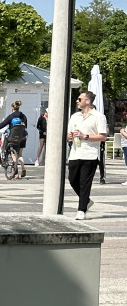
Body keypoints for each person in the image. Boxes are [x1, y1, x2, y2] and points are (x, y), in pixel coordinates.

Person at [66, 90, 107, 219]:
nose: (77, 101)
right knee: (72, 180)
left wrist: (86, 136)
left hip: (90, 154)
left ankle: (81, 210)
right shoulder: (75, 116)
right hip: (75, 152)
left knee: (85, 182)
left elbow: (103, 136)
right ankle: (87, 201)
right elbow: (69, 135)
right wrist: (70, 136)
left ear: (87, 101)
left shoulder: (98, 116)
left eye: (79, 99)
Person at [0, 100, 29, 179]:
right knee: (20, 155)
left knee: (13, 155)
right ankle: (23, 168)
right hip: (22, 137)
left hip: (13, 139)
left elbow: (2, 124)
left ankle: (16, 173)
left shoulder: (11, 116)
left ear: (12, 108)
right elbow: (25, 126)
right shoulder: (23, 116)